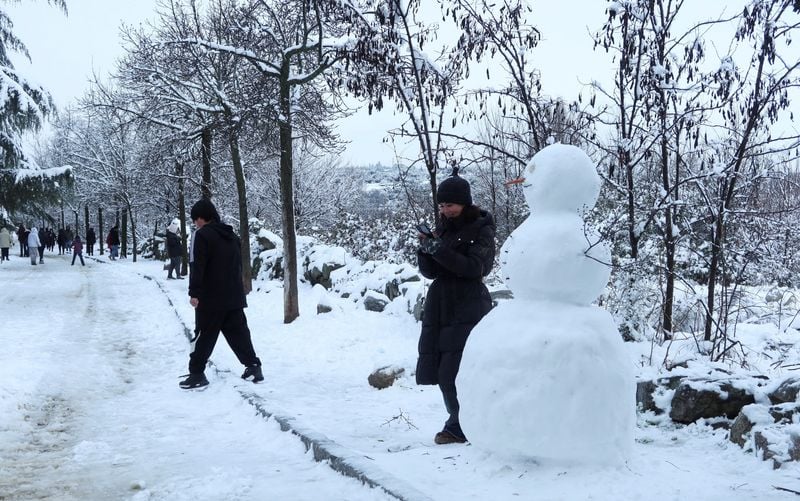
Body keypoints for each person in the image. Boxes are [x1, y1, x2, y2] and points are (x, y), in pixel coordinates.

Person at [415, 167, 496, 445]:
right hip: (442, 304)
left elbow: (475, 267)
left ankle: (460, 425)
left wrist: (440, 251)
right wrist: (425, 249)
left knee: (455, 369)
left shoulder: (482, 230)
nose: (445, 210)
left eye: (449, 204)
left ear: (464, 203)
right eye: (442, 205)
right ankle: (460, 421)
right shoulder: (443, 229)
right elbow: (431, 272)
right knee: (440, 368)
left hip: (469, 304)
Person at [180, 198, 262, 389]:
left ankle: (197, 374)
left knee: (203, 336)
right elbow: (237, 266)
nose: (195, 223)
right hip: (233, 296)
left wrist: (194, 292)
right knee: (239, 334)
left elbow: (197, 266)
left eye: (195, 219)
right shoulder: (232, 236)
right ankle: (253, 366)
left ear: (202, 218)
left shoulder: (201, 236)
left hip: (210, 298)